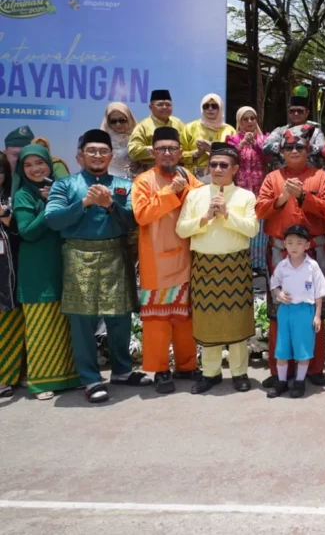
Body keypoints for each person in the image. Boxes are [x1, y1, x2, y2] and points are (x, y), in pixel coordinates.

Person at [45, 129, 150, 403]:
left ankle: (122, 372)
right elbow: (54, 220)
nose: (97, 155)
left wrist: (110, 205)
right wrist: (85, 202)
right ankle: (90, 379)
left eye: (103, 151)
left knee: (120, 317)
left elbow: (132, 221)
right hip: (78, 255)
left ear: (111, 156)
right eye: (91, 150)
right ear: (80, 156)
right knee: (82, 321)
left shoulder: (124, 185)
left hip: (115, 252)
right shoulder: (65, 185)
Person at [176, 142, 260, 394]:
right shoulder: (195, 195)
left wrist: (226, 214)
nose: (218, 168)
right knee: (207, 321)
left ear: (235, 168)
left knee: (237, 321)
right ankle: (210, 373)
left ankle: (239, 372)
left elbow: (252, 229)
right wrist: (205, 219)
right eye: (213, 164)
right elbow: (181, 229)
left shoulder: (246, 196)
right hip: (204, 265)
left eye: (224, 165)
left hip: (235, 264)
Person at [256, 128, 325, 389]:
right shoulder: (272, 178)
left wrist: (302, 196)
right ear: (280, 151)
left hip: (313, 252)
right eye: (289, 148)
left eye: (299, 147)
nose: (294, 151)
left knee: (314, 311)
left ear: (308, 150)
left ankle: (313, 368)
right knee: (280, 310)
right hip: (280, 253)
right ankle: (280, 370)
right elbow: (260, 209)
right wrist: (283, 198)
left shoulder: (321, 177)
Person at [132, 126, 203, 393]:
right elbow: (142, 215)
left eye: (172, 148)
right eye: (161, 148)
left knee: (184, 317)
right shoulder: (143, 181)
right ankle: (160, 370)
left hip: (185, 258)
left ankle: (186, 365)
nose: (167, 153)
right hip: (157, 262)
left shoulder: (188, 177)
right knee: (157, 320)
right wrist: (171, 193)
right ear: (152, 152)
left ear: (180, 152)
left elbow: (200, 200)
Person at [9, 145, 79, 399]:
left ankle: (70, 375)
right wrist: (49, 206)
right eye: (28, 165)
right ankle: (41, 381)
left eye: (40, 163)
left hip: (64, 263)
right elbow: (27, 232)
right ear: (22, 170)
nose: (35, 169)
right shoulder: (23, 196)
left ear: (50, 164)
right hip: (37, 269)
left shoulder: (62, 188)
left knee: (66, 322)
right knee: (42, 323)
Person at [266, 224, 325, 399]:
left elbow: (319, 292)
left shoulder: (313, 266)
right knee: (282, 349)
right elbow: (274, 284)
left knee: (303, 349)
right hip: (285, 311)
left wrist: (317, 315)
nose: (294, 247)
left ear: (307, 246)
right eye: (290, 243)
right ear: (285, 245)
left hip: (305, 311)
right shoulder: (282, 266)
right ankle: (281, 382)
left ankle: (300, 381)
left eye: (299, 243)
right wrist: (279, 293)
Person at [227, 106, 269, 273]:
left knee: (258, 227)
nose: (250, 122)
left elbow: (268, 156)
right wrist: (243, 143)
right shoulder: (233, 139)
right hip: (240, 188)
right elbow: (228, 157)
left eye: (253, 118)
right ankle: (242, 263)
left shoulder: (264, 138)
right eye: (245, 119)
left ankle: (258, 264)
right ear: (239, 121)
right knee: (242, 224)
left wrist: (257, 145)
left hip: (260, 187)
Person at [128, 89, 191, 171]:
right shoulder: (143, 126)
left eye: (168, 105)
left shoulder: (178, 123)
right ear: (151, 107)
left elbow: (186, 145)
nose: (164, 107)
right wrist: (160, 150)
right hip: (151, 170)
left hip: (176, 170)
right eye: (160, 104)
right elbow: (133, 151)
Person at [263, 95, 325, 170]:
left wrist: (308, 146)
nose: (296, 113)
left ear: (307, 112)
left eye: (300, 111)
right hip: (284, 175)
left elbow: (324, 151)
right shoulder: (280, 131)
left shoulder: (315, 132)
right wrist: (284, 144)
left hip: (310, 175)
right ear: (288, 112)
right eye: (292, 111)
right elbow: (265, 147)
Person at [0, 156, 19, 398]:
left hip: (9, 271)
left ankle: (9, 375)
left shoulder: (10, 198)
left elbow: (19, 232)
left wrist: (7, 216)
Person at [185, 94, 235, 182]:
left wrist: (213, 150)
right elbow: (177, 154)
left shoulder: (229, 130)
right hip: (193, 177)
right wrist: (196, 153)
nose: (210, 109)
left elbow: (236, 155)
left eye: (214, 106)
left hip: (221, 174)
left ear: (220, 108)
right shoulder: (190, 128)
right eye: (206, 106)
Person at [101, 102, 142, 180]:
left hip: (136, 182)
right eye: (113, 121)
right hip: (109, 182)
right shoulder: (102, 139)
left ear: (129, 118)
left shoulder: (139, 137)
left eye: (122, 120)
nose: (118, 124)